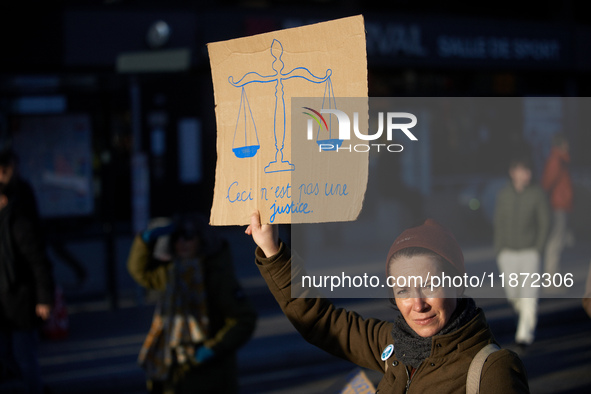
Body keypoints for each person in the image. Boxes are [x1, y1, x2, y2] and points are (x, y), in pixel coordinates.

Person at [246, 212, 529, 393]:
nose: (417, 305)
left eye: (429, 285)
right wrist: (272, 250)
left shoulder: (494, 370)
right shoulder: (393, 344)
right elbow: (320, 321)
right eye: (403, 290)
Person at [127, 213, 257, 394]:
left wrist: (213, 348)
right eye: (176, 237)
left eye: (188, 236)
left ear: (202, 239)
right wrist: (144, 241)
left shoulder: (215, 275)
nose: (182, 243)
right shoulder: (172, 272)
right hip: (172, 371)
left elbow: (244, 319)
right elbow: (141, 272)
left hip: (210, 375)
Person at [0, 182, 54, 393]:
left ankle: (35, 389)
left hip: (21, 302)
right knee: (5, 354)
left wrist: (44, 299)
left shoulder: (18, 224)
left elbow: (38, 263)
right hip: (3, 306)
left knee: (25, 356)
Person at [494, 154, 550, 350]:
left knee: (529, 295)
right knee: (514, 295)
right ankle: (524, 315)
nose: (525, 174)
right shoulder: (504, 195)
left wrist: (538, 249)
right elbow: (498, 222)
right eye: (521, 170)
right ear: (513, 172)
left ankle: (524, 335)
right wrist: (499, 249)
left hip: (529, 253)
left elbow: (545, 223)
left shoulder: (537, 194)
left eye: (528, 170)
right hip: (507, 253)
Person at [541, 132, 573, 280]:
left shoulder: (560, 159)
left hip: (560, 204)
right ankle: (551, 278)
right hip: (557, 205)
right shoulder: (556, 160)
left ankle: (552, 276)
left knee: (557, 242)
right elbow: (547, 182)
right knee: (555, 242)